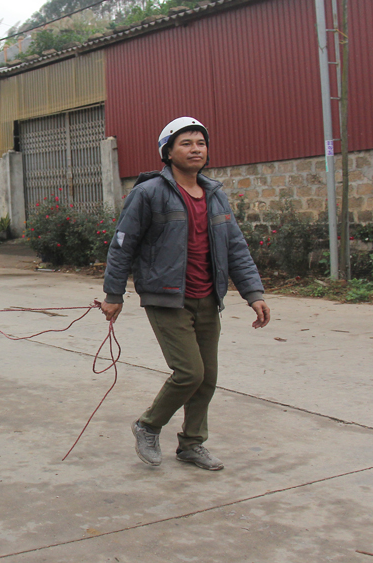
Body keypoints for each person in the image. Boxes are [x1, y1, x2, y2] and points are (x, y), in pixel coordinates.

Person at [100, 117, 270, 471]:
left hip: (208, 297)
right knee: (189, 372)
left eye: (201, 143)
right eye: (186, 143)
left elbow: (236, 247)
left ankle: (192, 444)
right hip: (166, 297)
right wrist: (113, 294)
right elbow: (122, 245)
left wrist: (254, 293)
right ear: (168, 152)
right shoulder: (148, 194)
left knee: (207, 377)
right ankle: (148, 425)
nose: (196, 149)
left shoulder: (214, 194)